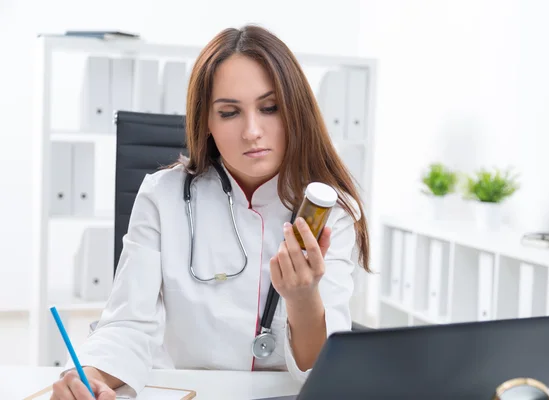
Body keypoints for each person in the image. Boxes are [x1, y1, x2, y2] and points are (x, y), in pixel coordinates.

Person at [50, 24, 371, 400]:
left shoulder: (329, 213)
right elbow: (127, 326)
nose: (252, 131)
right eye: (230, 112)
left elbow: (319, 373)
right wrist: (85, 378)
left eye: (269, 108)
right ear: (206, 123)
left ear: (295, 111)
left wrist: (302, 298)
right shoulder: (162, 196)